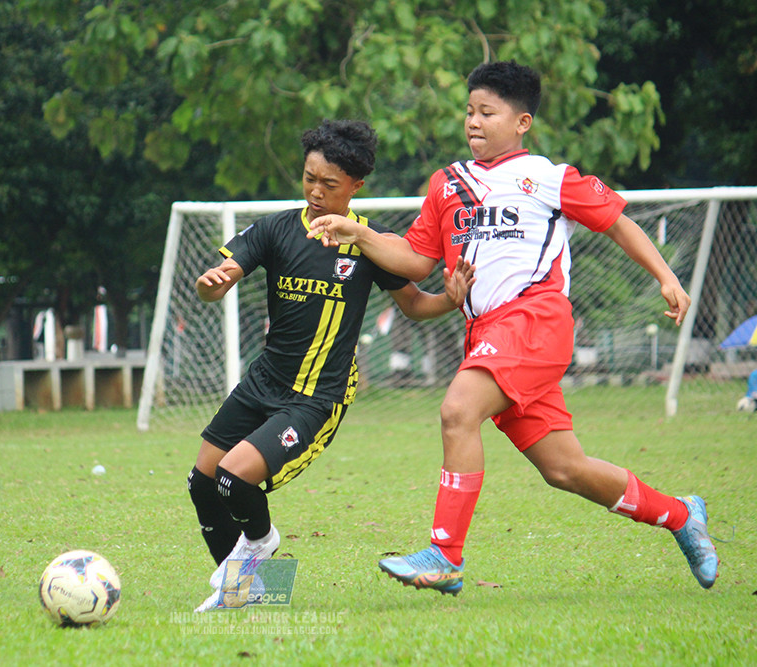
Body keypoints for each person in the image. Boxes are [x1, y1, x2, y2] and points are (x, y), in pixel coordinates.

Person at [307, 61, 719, 594]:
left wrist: (666, 276)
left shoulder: (549, 177)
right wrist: (355, 232)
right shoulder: (446, 184)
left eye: (488, 112)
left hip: (535, 321)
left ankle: (445, 556)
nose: (474, 122)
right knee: (565, 469)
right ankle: (682, 516)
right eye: (469, 111)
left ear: (522, 121)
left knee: (458, 410)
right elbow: (412, 260)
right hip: (488, 335)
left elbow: (616, 220)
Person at [190, 119, 475, 612]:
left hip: (316, 397)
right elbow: (225, 272)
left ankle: (260, 546)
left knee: (235, 478)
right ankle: (252, 593)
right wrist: (212, 283)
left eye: (330, 184)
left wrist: (451, 300)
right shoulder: (277, 229)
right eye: (308, 179)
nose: (316, 192)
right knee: (204, 483)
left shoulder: (368, 244)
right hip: (263, 382)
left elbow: (413, 304)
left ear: (356, 186)